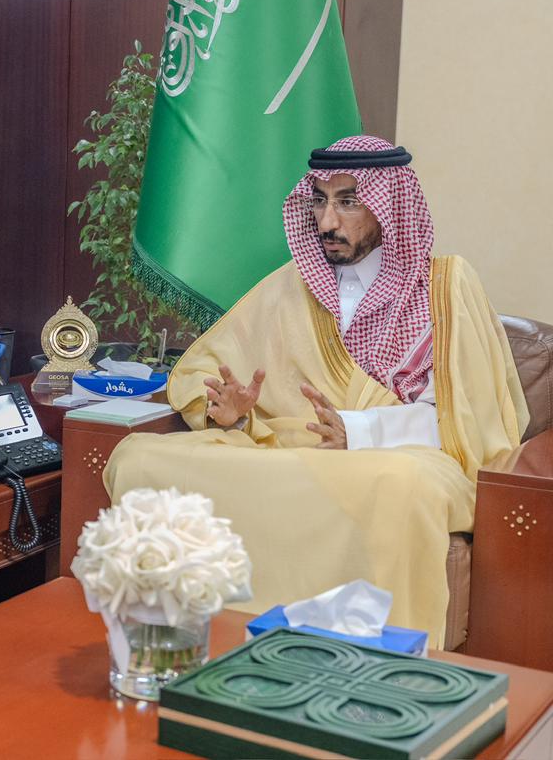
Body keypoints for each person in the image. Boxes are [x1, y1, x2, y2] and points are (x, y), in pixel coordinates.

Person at [102, 134, 527, 647]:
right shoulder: (292, 284)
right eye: (320, 201)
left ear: (388, 206)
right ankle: (200, 635)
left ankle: (366, 650)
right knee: (140, 457)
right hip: (291, 448)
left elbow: (464, 417)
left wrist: (357, 431)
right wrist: (234, 414)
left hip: (402, 454)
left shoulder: (444, 286)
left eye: (348, 202)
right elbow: (211, 372)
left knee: (398, 483)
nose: (327, 222)